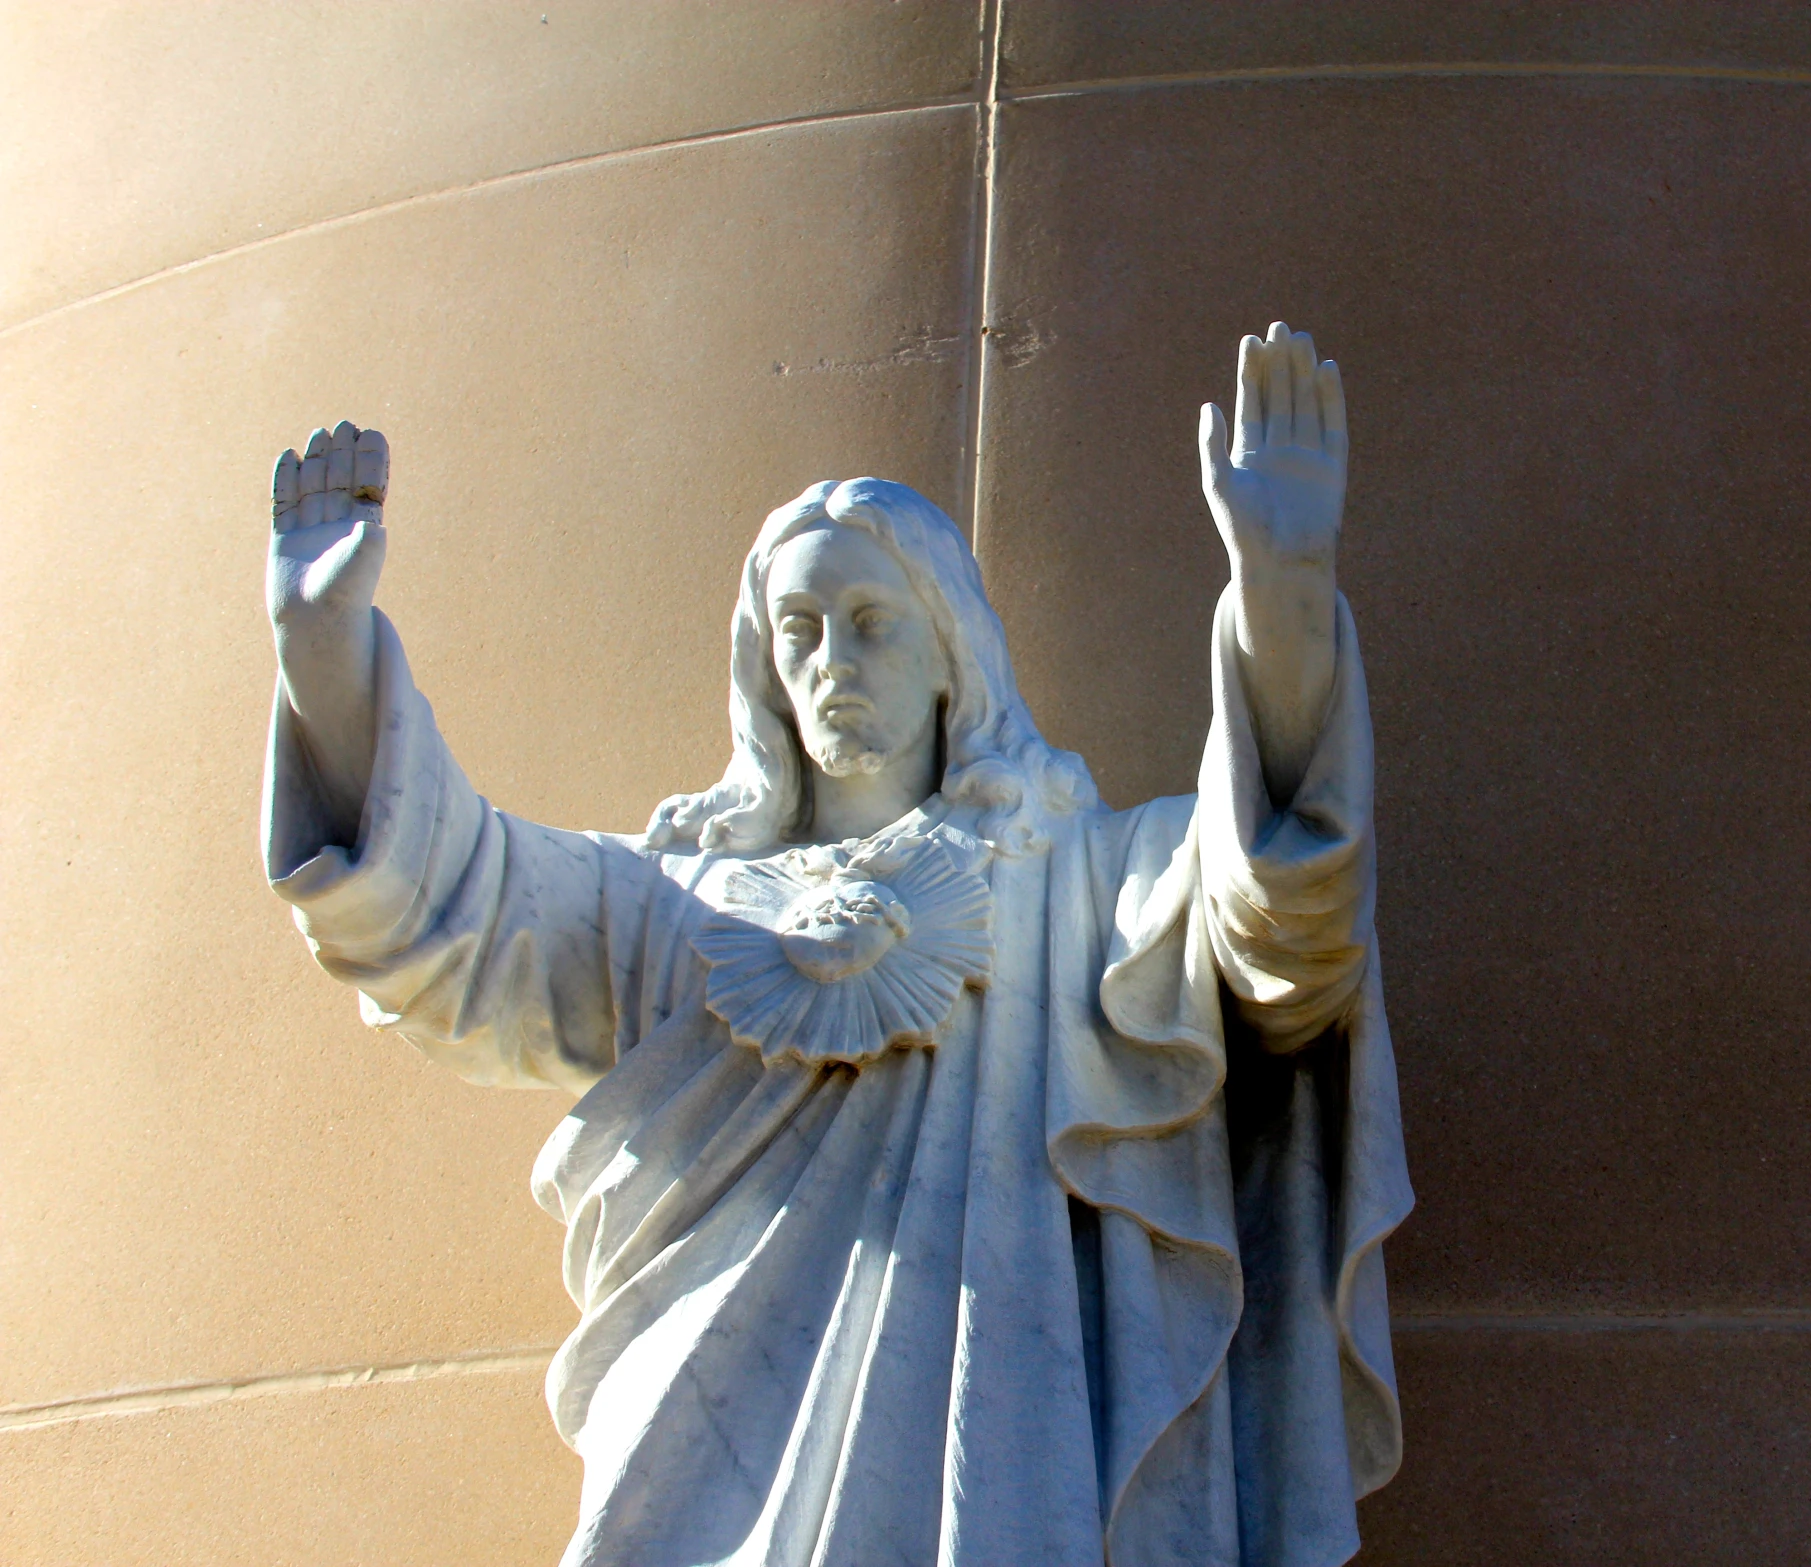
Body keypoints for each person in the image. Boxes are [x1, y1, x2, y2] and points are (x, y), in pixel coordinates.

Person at [262, 324, 1411, 1567]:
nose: (831, 660)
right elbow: (449, 915)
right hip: (700, 1452)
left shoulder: (1071, 877)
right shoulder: (676, 900)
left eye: (871, 621)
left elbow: (1285, 921)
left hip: (992, 1436)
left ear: (949, 655)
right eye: (798, 627)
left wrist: (1281, 602)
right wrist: (324, 660)